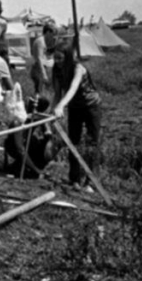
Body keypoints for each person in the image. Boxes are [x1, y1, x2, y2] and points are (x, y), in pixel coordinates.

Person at [51, 40, 102, 190]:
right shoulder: (56, 70)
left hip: (91, 106)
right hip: (74, 107)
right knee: (73, 141)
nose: (57, 61)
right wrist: (52, 110)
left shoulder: (78, 68)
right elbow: (57, 93)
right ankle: (74, 179)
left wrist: (61, 106)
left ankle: (91, 181)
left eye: (60, 58)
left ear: (67, 57)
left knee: (92, 142)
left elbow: (72, 88)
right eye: (55, 58)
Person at [30, 23, 56, 95]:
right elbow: (39, 58)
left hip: (40, 69)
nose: (53, 36)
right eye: (52, 33)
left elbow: (46, 53)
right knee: (39, 92)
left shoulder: (43, 41)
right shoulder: (40, 41)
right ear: (48, 32)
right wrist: (44, 74)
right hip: (38, 69)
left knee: (42, 92)